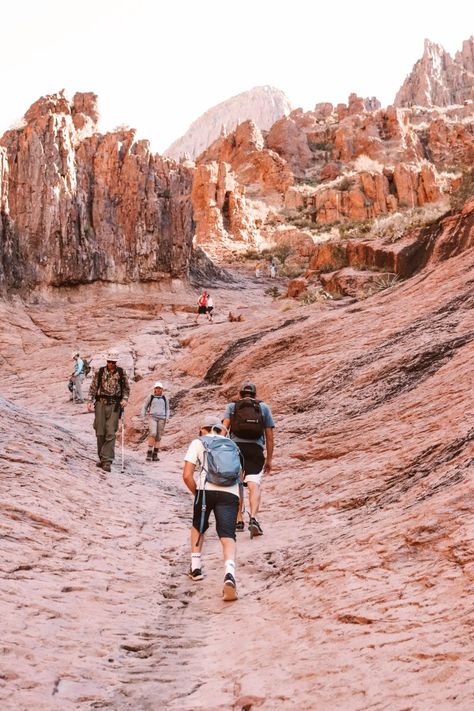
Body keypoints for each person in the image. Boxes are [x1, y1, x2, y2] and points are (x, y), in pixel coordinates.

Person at [182, 416, 241, 601]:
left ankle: (196, 567)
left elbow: (186, 475)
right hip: (231, 492)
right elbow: (239, 475)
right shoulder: (231, 444)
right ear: (218, 429)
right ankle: (229, 572)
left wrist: (197, 493)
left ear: (203, 429)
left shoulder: (198, 442)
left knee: (198, 526)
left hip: (205, 490)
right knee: (227, 535)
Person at [222, 382, 275, 538]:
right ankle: (253, 518)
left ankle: (238, 520)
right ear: (255, 394)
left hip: (235, 449)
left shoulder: (232, 407)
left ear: (240, 394)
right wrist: (269, 459)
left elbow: (224, 430)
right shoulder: (263, 408)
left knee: (237, 483)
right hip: (255, 451)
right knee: (253, 484)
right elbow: (270, 437)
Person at [87, 350, 130, 472]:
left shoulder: (121, 373)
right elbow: (93, 387)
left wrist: (125, 399)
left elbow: (126, 389)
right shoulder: (100, 372)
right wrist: (89, 401)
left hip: (114, 405)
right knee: (100, 431)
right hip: (100, 404)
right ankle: (102, 457)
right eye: (109, 361)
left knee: (110, 432)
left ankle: (107, 461)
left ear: (116, 362)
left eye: (113, 362)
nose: (110, 363)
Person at [141, 381, 170, 462]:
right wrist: (143, 415)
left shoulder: (165, 398)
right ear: (154, 389)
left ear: (162, 389)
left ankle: (155, 454)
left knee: (158, 436)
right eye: (157, 388)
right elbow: (145, 406)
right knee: (153, 433)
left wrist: (167, 417)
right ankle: (149, 452)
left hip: (162, 418)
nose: (158, 389)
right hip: (152, 417)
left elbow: (167, 408)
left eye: (159, 388)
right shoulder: (151, 397)